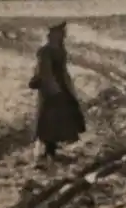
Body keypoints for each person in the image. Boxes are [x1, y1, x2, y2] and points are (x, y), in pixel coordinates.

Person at [29, 21, 86, 164]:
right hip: (51, 92)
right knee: (49, 122)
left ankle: (50, 152)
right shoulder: (46, 51)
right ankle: (47, 153)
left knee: (57, 122)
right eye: (62, 32)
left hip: (60, 89)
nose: (65, 35)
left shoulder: (59, 49)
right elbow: (45, 72)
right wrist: (54, 90)